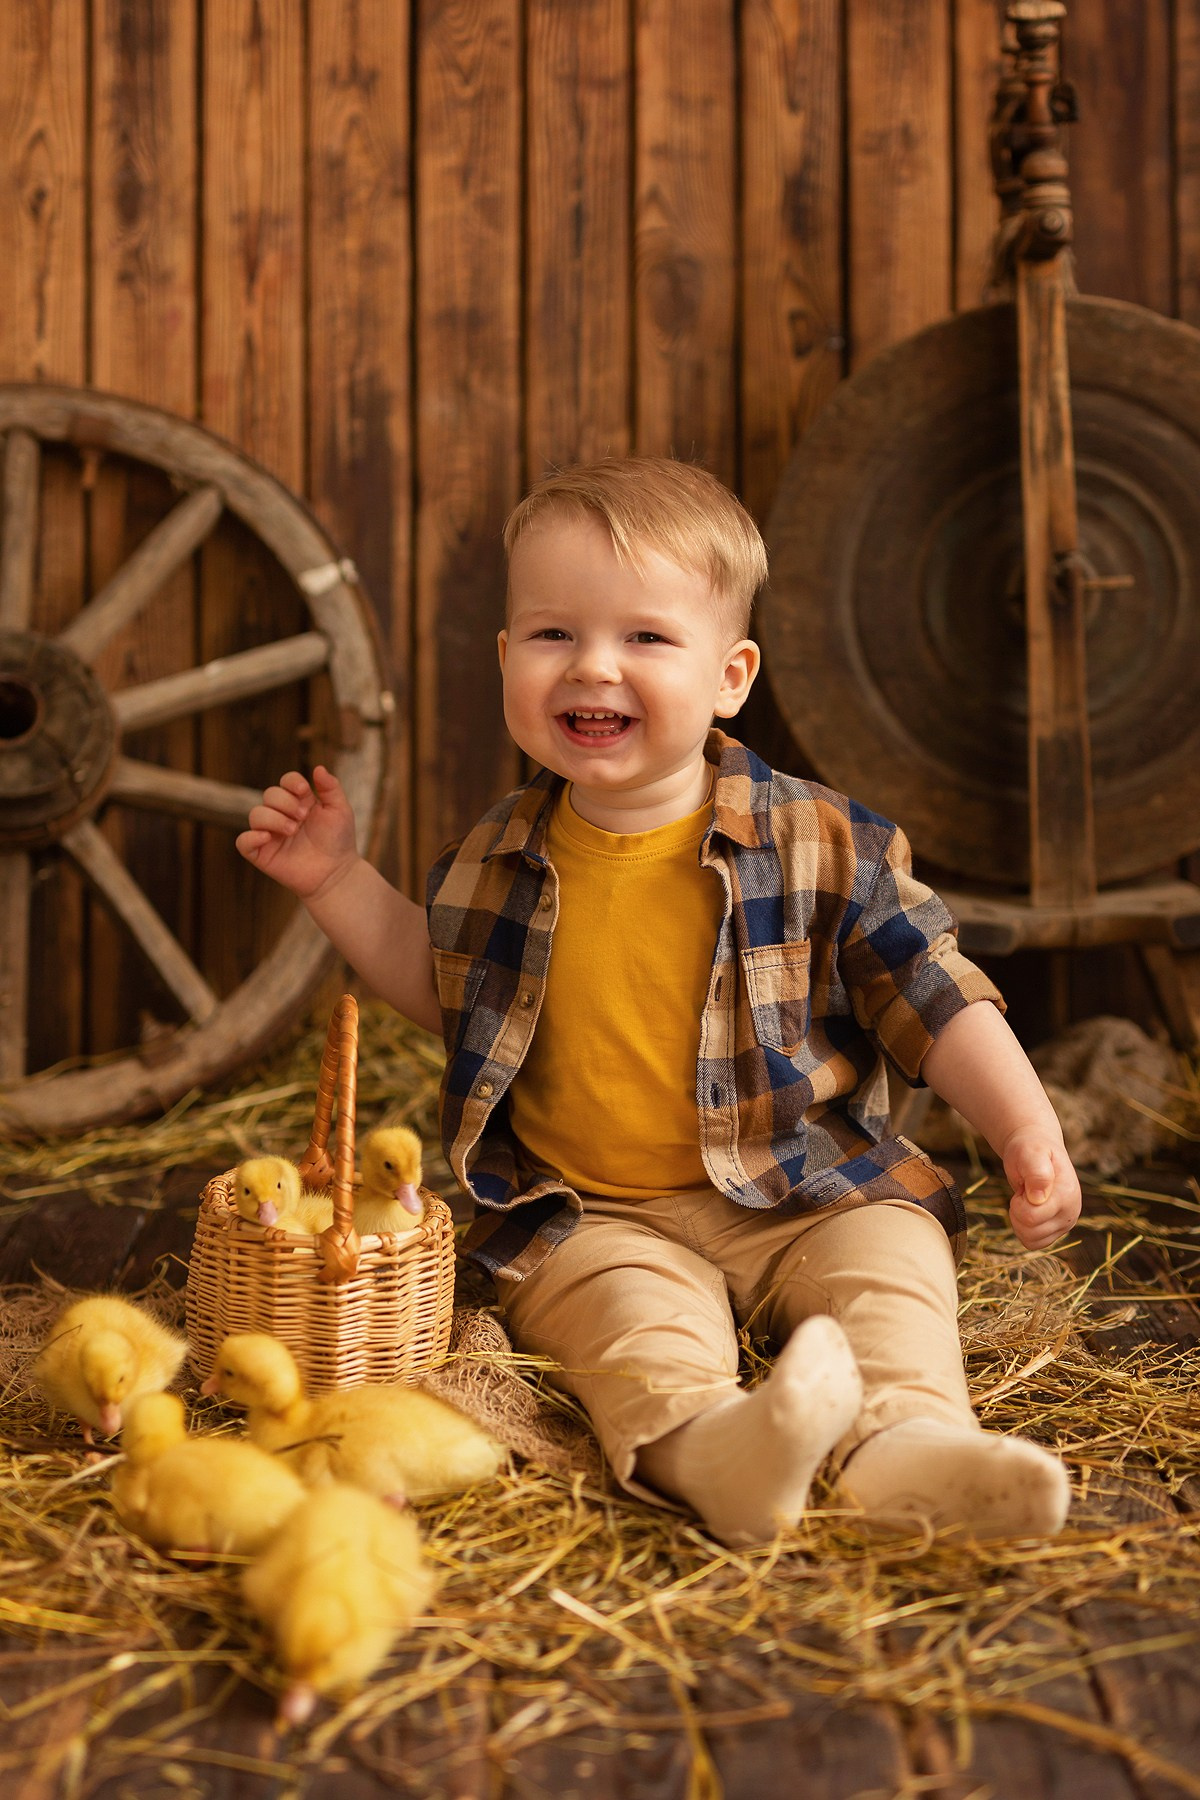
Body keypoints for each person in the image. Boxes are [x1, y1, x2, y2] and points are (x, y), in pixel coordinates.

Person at [238, 457, 1081, 1548]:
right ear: (506, 659)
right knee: (628, 1335)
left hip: (809, 1189)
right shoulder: (494, 857)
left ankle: (908, 1446)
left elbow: (935, 991)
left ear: (730, 676)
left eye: (645, 638)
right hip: (594, 1214)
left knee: (892, 1274)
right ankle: (715, 1450)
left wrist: (1024, 1125)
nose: (593, 668)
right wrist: (338, 883)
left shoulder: (823, 842)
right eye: (552, 636)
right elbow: (440, 985)